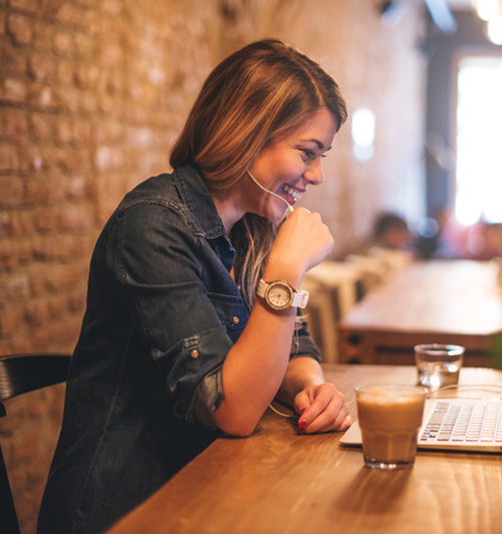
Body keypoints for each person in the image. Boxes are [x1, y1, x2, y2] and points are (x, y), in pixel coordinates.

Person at [37, 39, 352, 534]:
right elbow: (233, 410)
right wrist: (284, 274)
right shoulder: (152, 226)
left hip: (211, 489)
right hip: (129, 509)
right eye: (307, 153)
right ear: (248, 133)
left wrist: (311, 388)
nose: (316, 175)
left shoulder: (251, 228)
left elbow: (293, 345)